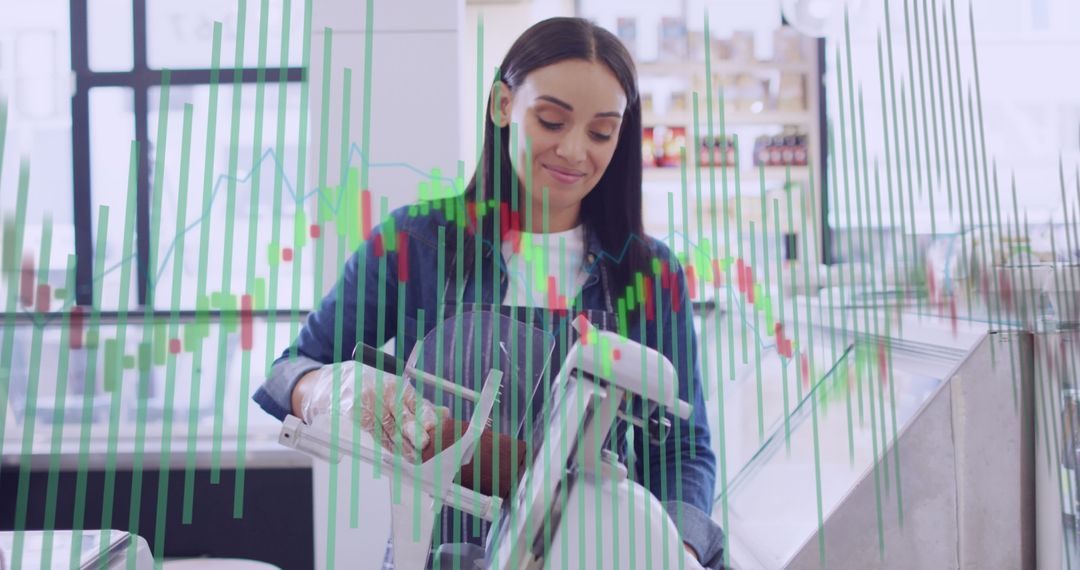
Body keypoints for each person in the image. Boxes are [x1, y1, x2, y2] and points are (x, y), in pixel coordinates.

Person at [253, 16, 726, 569]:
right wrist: (325, 388)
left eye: (601, 132)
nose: (575, 150)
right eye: (552, 121)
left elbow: (683, 450)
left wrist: (676, 552)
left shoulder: (650, 274)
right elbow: (288, 370)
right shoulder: (414, 245)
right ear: (504, 104)